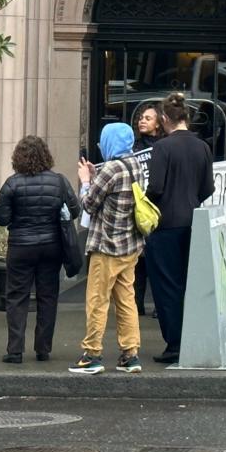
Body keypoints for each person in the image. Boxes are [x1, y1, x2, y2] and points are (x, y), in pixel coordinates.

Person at [0, 135, 81, 364]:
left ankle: (15, 350)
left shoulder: (12, 183)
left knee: (16, 297)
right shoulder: (59, 182)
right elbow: (75, 210)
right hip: (51, 246)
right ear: (46, 156)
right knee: (48, 296)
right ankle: (43, 348)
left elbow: (1, 218)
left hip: (21, 246)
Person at [144, 92, 215, 364]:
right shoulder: (203, 147)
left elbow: (157, 187)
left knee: (167, 286)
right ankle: (193, 338)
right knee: (189, 284)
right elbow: (208, 187)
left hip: (165, 224)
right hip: (193, 221)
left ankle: (175, 343)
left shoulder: (162, 148)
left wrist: (144, 198)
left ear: (164, 119)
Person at [71, 122, 145, 375]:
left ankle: (92, 354)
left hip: (107, 246)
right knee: (126, 300)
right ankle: (130, 354)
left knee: (97, 300)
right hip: (130, 245)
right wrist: (95, 176)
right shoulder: (135, 165)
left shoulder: (111, 169)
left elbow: (89, 204)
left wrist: (84, 181)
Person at [130, 101, 164, 318]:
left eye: (148, 118)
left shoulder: (164, 147)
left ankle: (159, 306)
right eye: (141, 118)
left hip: (159, 209)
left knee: (157, 261)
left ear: (159, 124)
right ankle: (135, 304)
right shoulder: (133, 148)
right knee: (137, 263)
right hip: (138, 208)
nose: (142, 120)